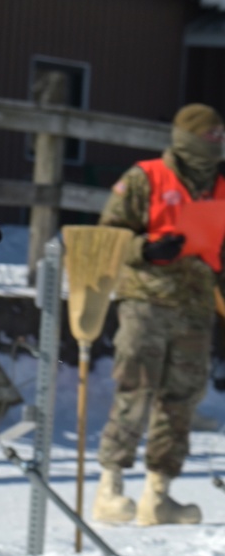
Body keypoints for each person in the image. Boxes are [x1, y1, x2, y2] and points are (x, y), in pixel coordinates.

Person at [92, 102, 225, 527]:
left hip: (197, 304)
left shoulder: (222, 184)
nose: (217, 143)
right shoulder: (145, 176)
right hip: (145, 300)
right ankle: (109, 490)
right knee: (136, 389)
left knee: (181, 399)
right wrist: (143, 248)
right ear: (187, 138)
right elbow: (108, 234)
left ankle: (158, 495)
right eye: (211, 136)